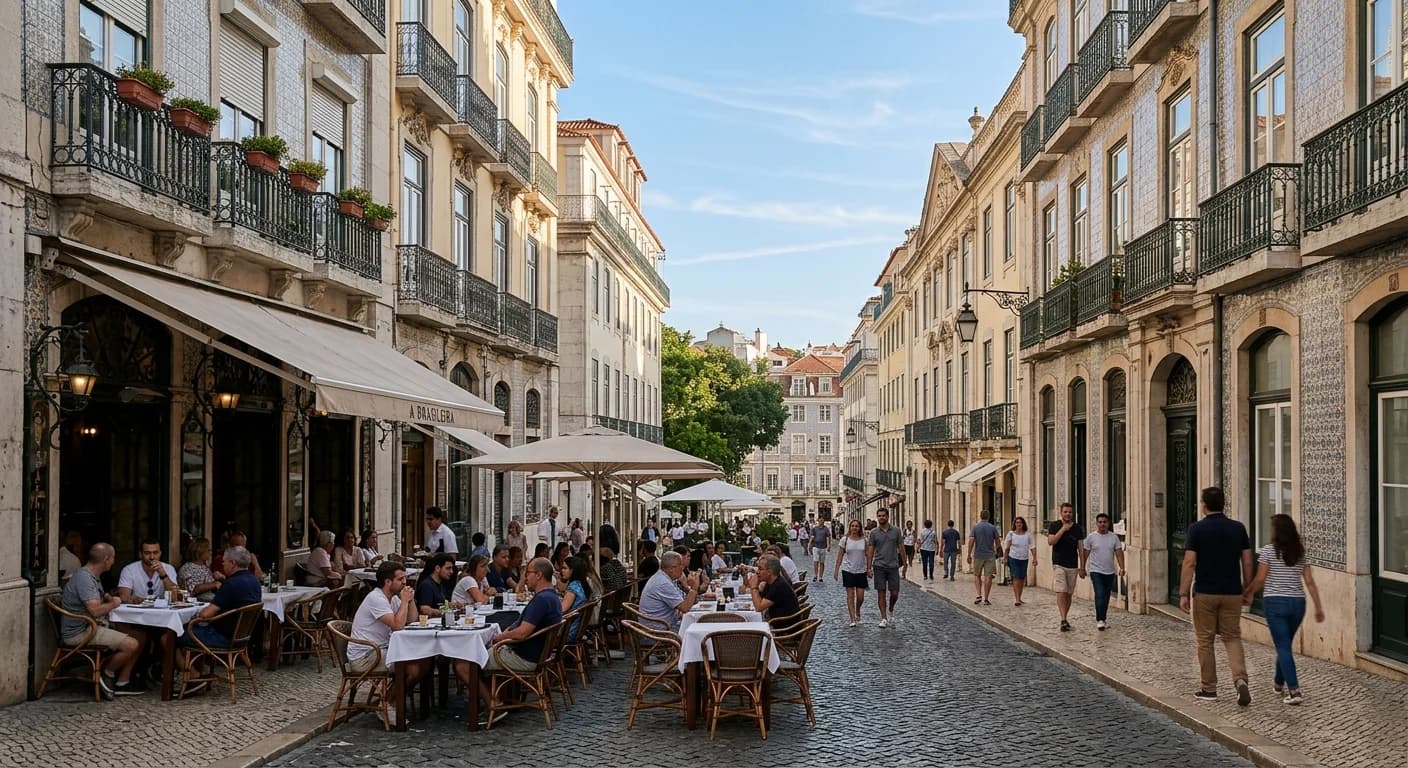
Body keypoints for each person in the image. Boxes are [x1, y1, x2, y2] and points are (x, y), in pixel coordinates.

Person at [1180, 486, 1254, 706]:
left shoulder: (1196, 529)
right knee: (1232, 637)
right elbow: (1247, 561)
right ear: (1223, 504)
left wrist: (1183, 592)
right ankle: (1240, 680)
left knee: (1205, 640)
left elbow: (1190, 562)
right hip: (1232, 592)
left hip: (1205, 592)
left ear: (1204, 505)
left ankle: (1209, 688)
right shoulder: (1238, 528)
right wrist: (1248, 588)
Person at [1243, 513, 1324, 705]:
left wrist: (1248, 592)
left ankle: (1294, 691)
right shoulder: (1300, 552)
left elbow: (1261, 578)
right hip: (1297, 603)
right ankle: (1278, 683)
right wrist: (1318, 606)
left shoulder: (1268, 551)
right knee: (1285, 644)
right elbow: (1309, 581)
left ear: (1276, 532)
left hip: (1275, 602)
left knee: (1283, 646)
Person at [61, 543, 146, 698]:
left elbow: (97, 596)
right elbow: (94, 610)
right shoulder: (85, 578)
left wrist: (108, 597)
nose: (114, 562)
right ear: (106, 559)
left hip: (91, 625)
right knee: (132, 644)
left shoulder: (91, 575)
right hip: (82, 631)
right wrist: (114, 603)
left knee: (139, 635)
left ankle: (123, 680)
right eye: (113, 558)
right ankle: (107, 673)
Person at [348, 561, 427, 725]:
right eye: (400, 579)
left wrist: (410, 600)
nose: (404, 582)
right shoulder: (376, 599)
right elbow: (397, 625)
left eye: (405, 578)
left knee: (424, 661)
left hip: (382, 650)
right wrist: (404, 602)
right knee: (413, 667)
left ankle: (390, 700)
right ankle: (389, 704)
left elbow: (412, 620)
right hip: (366, 656)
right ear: (387, 582)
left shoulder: (393, 599)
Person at [480, 558, 563, 708]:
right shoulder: (552, 596)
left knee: (474, 660)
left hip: (525, 657)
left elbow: (522, 633)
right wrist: (508, 632)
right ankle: (503, 698)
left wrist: (500, 637)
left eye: (528, 573)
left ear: (538, 575)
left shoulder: (542, 599)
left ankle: (493, 703)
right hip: (537, 655)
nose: (525, 578)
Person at [181, 546, 261, 654]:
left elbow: (205, 615)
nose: (222, 564)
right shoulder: (255, 581)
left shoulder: (231, 584)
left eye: (224, 561)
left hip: (223, 638)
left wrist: (192, 617)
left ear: (232, 563)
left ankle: (189, 666)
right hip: (244, 638)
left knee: (177, 632)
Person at [1080, 513, 1126, 630]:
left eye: (1104, 522)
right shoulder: (1091, 537)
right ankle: (1099, 620)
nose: (1102, 524)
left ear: (1108, 523)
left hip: (1109, 572)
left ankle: (1103, 618)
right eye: (1100, 522)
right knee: (1099, 594)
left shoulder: (1113, 537)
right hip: (1096, 571)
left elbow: (1119, 553)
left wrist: (1122, 567)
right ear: (1097, 523)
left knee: (1106, 596)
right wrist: (1082, 568)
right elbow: (1085, 553)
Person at [638, 551, 703, 631]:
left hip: (662, 625)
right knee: (698, 628)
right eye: (680, 565)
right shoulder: (663, 583)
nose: (682, 568)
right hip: (659, 631)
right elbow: (685, 608)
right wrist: (694, 587)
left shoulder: (664, 578)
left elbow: (685, 601)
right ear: (672, 569)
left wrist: (686, 587)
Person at [1046, 503, 1086, 631]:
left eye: (1070, 512)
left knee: (1068, 593)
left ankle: (1065, 617)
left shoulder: (1078, 528)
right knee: (1061, 590)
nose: (1068, 514)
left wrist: (1082, 567)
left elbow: (1081, 549)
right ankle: (1063, 619)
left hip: (1072, 564)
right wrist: (1063, 529)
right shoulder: (1054, 525)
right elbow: (1051, 542)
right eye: (1065, 512)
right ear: (1061, 513)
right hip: (1058, 563)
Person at [868, 508, 907, 628]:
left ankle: (891, 607)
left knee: (894, 593)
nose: (881, 518)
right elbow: (870, 550)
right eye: (879, 516)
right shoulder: (874, 533)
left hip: (893, 566)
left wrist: (905, 564)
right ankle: (884, 617)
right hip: (879, 566)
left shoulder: (896, 531)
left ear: (888, 516)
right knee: (881, 592)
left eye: (883, 515)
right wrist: (868, 567)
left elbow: (901, 548)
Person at [116, 538, 178, 603]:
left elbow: (175, 597)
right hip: (137, 608)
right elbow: (124, 597)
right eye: (147, 553)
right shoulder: (129, 570)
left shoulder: (168, 568)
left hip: (162, 609)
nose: (152, 557)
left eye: (155, 553)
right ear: (140, 554)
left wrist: (163, 575)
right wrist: (148, 602)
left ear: (160, 553)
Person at [748, 555, 801, 629]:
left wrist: (753, 587)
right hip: (777, 625)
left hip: (785, 630)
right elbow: (759, 599)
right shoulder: (771, 582)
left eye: (760, 569)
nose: (757, 572)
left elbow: (759, 607)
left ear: (769, 572)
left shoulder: (779, 586)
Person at [834, 520, 869, 627]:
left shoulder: (864, 540)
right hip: (848, 570)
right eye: (852, 526)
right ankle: (852, 618)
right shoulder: (845, 540)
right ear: (849, 527)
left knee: (860, 596)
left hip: (861, 570)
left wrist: (869, 568)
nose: (854, 528)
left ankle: (857, 609)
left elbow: (868, 555)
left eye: (856, 526)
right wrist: (836, 569)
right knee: (850, 595)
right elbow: (840, 555)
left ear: (860, 528)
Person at [967, 510, 1001, 606]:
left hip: (978, 554)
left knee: (977, 575)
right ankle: (986, 598)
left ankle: (979, 595)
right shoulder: (993, 528)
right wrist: (998, 552)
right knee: (988, 576)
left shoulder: (975, 527)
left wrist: (969, 554)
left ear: (980, 516)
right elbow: (997, 541)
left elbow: (971, 540)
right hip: (990, 555)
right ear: (988, 517)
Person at [557, 556, 591, 641]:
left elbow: (561, 610)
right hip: (578, 629)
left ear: (572, 570)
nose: (562, 571)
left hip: (568, 631)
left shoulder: (573, 587)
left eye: (565, 568)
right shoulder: (582, 584)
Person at [1003, 517, 1035, 606]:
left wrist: (1035, 558)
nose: (1019, 524)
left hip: (1024, 558)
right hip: (1013, 558)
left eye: (1020, 522)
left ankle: (1019, 598)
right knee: (1016, 577)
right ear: (1014, 524)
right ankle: (1017, 599)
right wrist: (1005, 558)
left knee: (1022, 578)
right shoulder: (1011, 534)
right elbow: (1007, 547)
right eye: (1017, 522)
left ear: (1023, 524)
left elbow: (1032, 546)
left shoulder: (1028, 535)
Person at [178, 537, 222, 602]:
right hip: (195, 602)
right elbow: (193, 590)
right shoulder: (187, 568)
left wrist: (220, 579)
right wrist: (213, 584)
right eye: (208, 550)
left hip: (209, 600)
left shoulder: (205, 567)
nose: (210, 552)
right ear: (199, 551)